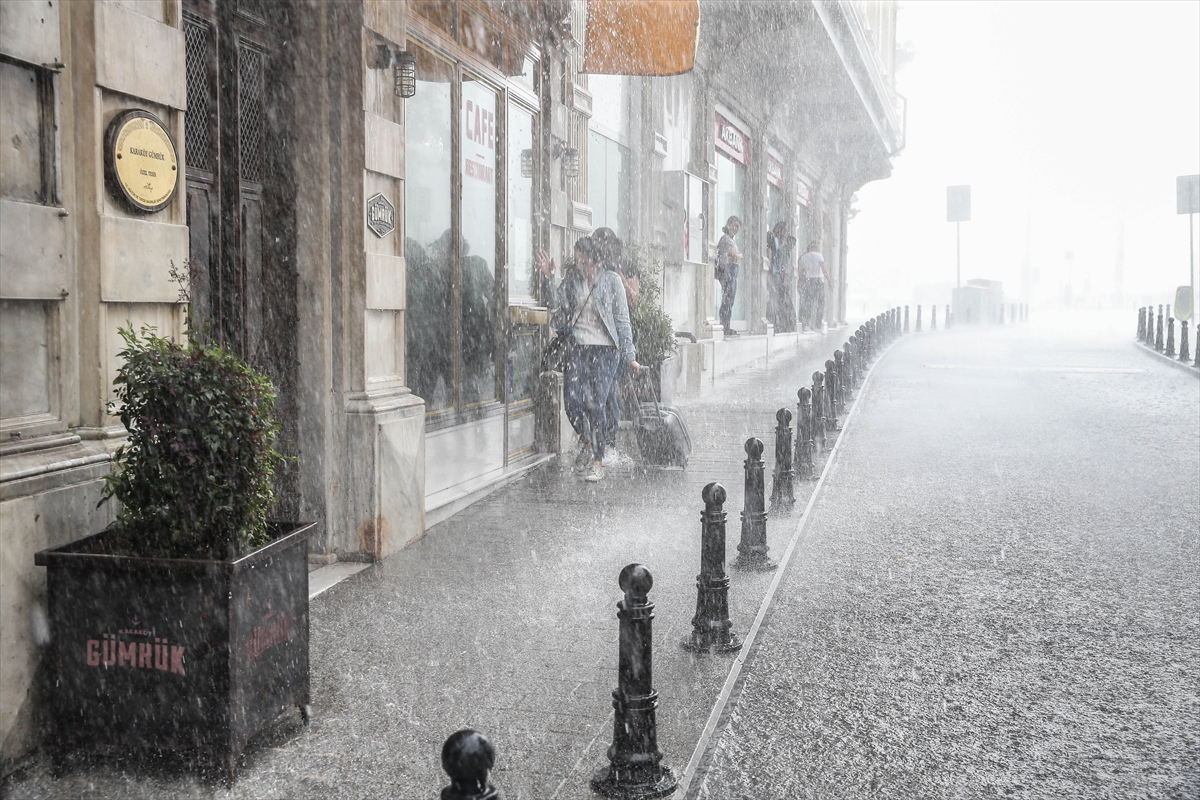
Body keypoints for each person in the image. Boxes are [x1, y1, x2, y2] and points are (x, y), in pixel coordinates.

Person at [536, 238, 641, 483]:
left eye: (583, 261)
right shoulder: (573, 278)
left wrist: (630, 356)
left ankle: (598, 461)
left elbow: (622, 320)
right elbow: (555, 303)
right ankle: (588, 440)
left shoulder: (612, 280)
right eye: (577, 261)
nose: (579, 265)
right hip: (577, 347)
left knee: (596, 404)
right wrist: (549, 278)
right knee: (572, 401)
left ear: (595, 260)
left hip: (606, 351)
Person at [603, 255, 642, 466]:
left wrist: (622, 281)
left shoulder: (624, 271)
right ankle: (599, 443)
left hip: (615, 345)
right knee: (604, 396)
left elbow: (632, 299)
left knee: (609, 395)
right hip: (602, 346)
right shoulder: (598, 274)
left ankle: (609, 444)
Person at [715, 216, 742, 336]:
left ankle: (726, 325)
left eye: (738, 227)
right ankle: (724, 326)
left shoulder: (731, 240)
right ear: (729, 225)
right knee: (728, 298)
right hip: (728, 270)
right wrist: (738, 255)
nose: (736, 229)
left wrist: (737, 255)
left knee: (730, 299)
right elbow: (733, 254)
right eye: (734, 225)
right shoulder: (726, 239)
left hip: (732, 271)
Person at [766, 222, 796, 333]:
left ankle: (780, 325)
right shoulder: (771, 237)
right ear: (779, 228)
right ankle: (775, 324)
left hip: (778, 276)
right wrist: (768, 273)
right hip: (773, 274)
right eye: (784, 230)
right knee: (773, 301)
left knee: (779, 301)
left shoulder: (779, 242)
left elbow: (782, 262)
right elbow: (769, 255)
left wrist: (784, 278)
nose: (785, 233)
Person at [799, 240, 830, 332]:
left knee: (807, 303)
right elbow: (824, 270)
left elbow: (800, 271)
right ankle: (817, 325)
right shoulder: (819, 256)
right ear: (815, 247)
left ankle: (806, 325)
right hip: (818, 281)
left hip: (808, 281)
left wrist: (803, 279)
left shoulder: (803, 257)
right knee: (820, 303)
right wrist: (829, 281)